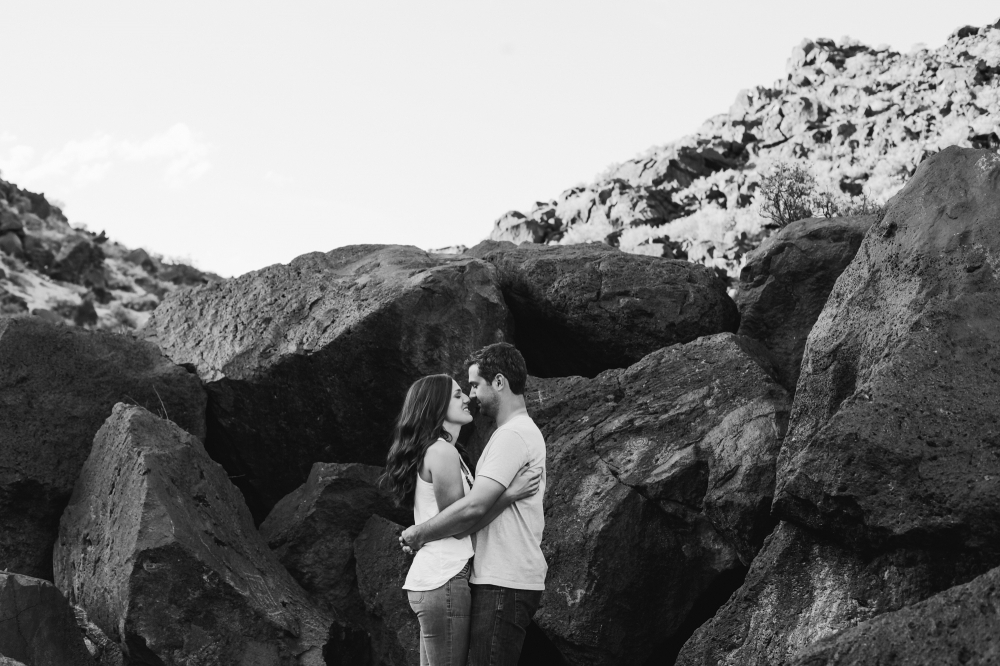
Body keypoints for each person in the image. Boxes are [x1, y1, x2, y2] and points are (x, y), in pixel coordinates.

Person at [401, 343, 547, 666]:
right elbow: (464, 516)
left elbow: (469, 512)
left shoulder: (512, 436)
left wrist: (419, 533)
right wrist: (507, 495)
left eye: (474, 385)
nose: (470, 395)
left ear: (499, 383)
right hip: (459, 578)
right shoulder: (458, 448)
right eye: (461, 392)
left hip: (502, 581)